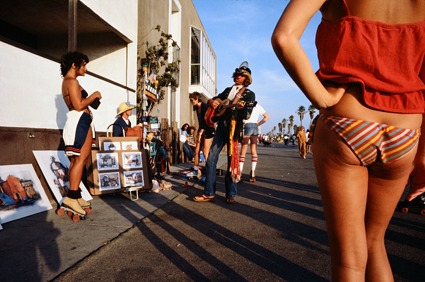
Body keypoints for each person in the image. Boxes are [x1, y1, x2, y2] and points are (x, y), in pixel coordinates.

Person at [271, 0, 425, 280]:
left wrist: (321, 98)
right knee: (375, 242)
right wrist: (423, 155)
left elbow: (284, 37)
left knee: (349, 259)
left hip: (348, 122)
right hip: (406, 130)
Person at [193, 62, 256, 204]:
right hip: (221, 127)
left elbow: (246, 115)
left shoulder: (249, 94)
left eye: (240, 75)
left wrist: (241, 108)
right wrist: (213, 102)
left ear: (246, 78)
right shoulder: (228, 90)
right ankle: (209, 192)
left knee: (231, 162)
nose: (237, 77)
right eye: (236, 75)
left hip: (234, 129)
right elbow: (214, 99)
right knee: (210, 159)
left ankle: (231, 193)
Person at [61, 51, 102, 217]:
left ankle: (75, 195)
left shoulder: (73, 82)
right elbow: (78, 105)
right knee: (79, 160)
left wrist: (90, 97)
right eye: (83, 65)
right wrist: (93, 96)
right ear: (74, 65)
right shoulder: (70, 81)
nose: (85, 68)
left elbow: (90, 104)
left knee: (79, 159)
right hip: (79, 120)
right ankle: (71, 197)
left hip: (82, 121)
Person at [239, 103, 269, 182]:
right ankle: (252, 172)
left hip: (247, 125)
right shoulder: (257, 105)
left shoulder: (244, 104)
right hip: (255, 126)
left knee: (244, 148)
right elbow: (266, 117)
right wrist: (258, 124)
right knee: (254, 148)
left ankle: (240, 173)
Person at [189, 91, 216, 177]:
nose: (191, 102)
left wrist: (201, 133)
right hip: (201, 129)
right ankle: (196, 170)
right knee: (196, 151)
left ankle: (210, 170)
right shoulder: (197, 108)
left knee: (205, 151)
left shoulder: (205, 106)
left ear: (197, 98)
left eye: (192, 100)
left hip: (208, 128)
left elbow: (207, 121)